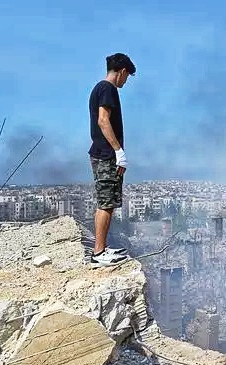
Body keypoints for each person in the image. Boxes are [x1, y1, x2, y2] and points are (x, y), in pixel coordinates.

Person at [88, 53, 136, 265]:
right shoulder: (108, 88)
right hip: (106, 154)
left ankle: (102, 249)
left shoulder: (99, 88)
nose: (126, 81)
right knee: (106, 203)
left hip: (102, 153)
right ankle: (99, 253)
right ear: (122, 71)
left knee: (106, 202)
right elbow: (103, 120)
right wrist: (118, 151)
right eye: (127, 76)